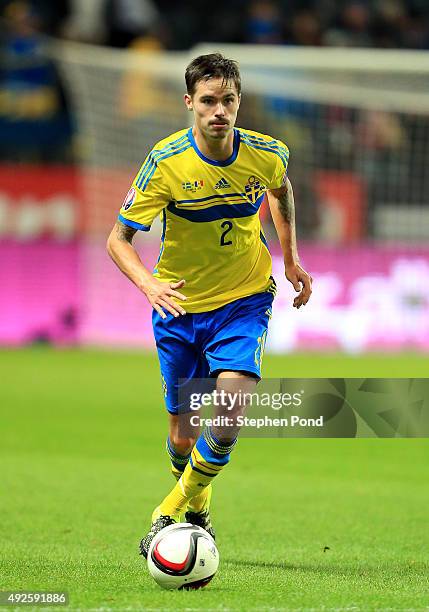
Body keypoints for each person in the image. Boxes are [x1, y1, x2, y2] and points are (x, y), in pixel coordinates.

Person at [106, 53, 312, 558]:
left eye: (228, 100)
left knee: (231, 404)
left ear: (239, 102)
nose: (219, 111)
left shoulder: (267, 153)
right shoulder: (166, 161)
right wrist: (150, 286)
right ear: (189, 104)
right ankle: (197, 508)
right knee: (181, 434)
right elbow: (118, 240)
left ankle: (167, 512)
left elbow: (280, 192)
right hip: (178, 307)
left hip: (244, 297)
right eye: (208, 101)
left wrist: (291, 260)